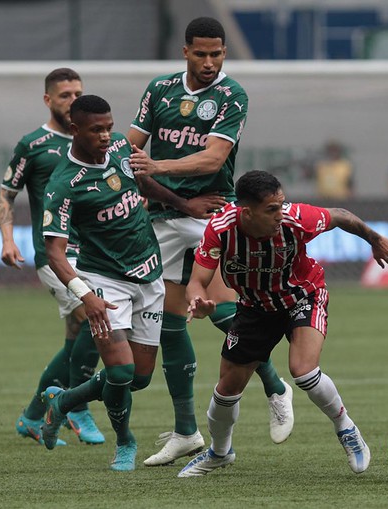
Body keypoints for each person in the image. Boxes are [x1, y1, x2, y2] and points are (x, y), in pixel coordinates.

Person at [127, 16, 294, 467]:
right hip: (162, 215)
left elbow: (214, 157)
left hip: (214, 212)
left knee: (223, 308)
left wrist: (156, 166)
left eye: (216, 54)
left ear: (224, 53)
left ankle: (276, 386)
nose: (208, 62)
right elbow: (131, 147)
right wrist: (123, 164)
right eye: (200, 53)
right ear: (185, 51)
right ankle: (186, 430)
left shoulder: (230, 95)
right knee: (169, 319)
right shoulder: (159, 90)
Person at [176, 170, 388, 477]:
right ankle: (220, 452)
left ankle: (346, 428)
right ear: (247, 212)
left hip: (302, 295)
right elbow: (196, 282)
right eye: (271, 209)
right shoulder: (221, 229)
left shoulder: (296, 219)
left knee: (303, 370)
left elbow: (341, 215)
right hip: (255, 307)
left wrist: (374, 239)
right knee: (226, 389)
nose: (280, 214)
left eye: (281, 204)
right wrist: (198, 301)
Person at [39, 95, 164, 471]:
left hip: (150, 274)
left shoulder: (124, 147)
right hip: (104, 281)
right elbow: (55, 254)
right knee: (121, 373)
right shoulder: (63, 184)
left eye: (109, 126)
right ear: (74, 130)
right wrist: (84, 295)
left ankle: (62, 402)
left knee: (138, 379)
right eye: (97, 129)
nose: (107, 135)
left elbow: (144, 185)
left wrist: (186, 206)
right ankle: (125, 442)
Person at [0, 68, 104, 446]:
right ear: (48, 100)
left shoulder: (93, 140)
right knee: (97, 321)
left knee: (76, 339)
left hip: (92, 253)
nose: (73, 100)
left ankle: (30, 417)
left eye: (78, 93)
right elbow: (7, 194)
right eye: (65, 95)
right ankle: (76, 405)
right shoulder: (34, 144)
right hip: (53, 254)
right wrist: (8, 239)